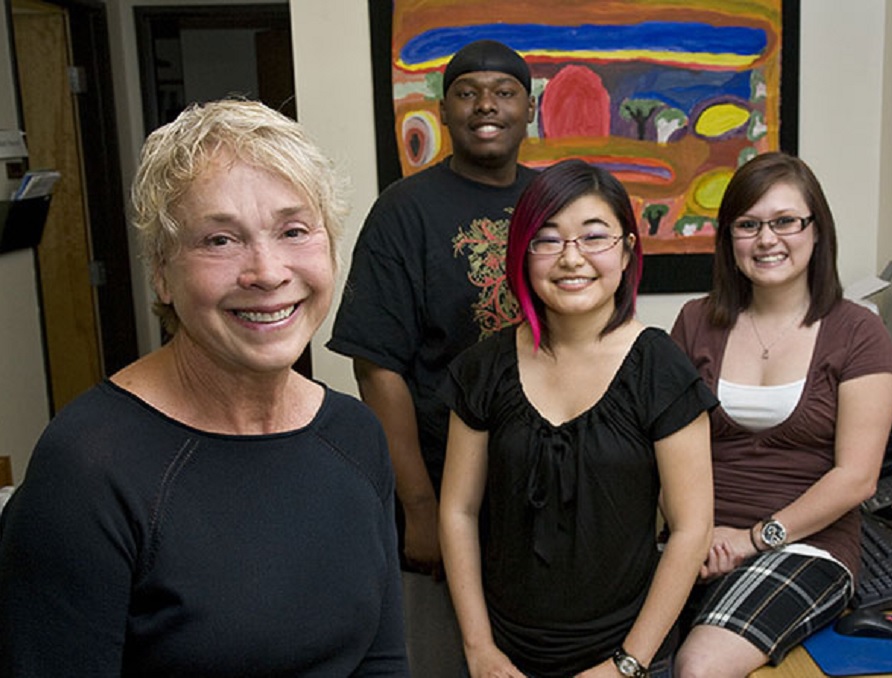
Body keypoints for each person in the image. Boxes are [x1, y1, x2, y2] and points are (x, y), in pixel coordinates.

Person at [0, 100, 409, 677]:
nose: (266, 272)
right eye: (220, 240)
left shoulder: (355, 435)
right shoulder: (88, 470)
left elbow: (382, 661)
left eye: (294, 230)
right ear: (162, 273)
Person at [439, 158, 716, 678]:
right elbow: (458, 511)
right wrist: (479, 648)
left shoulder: (660, 369)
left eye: (594, 237)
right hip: (502, 653)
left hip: (629, 650)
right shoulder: (483, 368)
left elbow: (691, 528)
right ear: (522, 254)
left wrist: (628, 663)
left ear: (628, 249)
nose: (571, 259)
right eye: (547, 240)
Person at [328, 39, 537, 676]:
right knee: (447, 660)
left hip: (542, 484)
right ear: (443, 111)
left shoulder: (553, 202)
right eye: (468, 92)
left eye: (503, 92)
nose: (486, 106)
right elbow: (377, 366)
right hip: (445, 482)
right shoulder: (404, 211)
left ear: (530, 108)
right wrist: (419, 508)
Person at [671, 151, 892, 677]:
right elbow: (663, 446)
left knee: (698, 667)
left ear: (816, 230)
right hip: (698, 538)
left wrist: (753, 539)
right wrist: (695, 532)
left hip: (808, 546)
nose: (767, 239)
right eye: (748, 225)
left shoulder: (858, 332)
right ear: (729, 239)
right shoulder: (694, 322)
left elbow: (858, 478)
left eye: (785, 222)